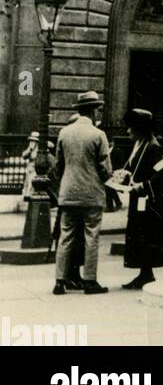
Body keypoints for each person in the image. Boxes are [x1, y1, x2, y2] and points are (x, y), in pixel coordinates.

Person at [51, 90, 112, 296]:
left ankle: (60, 281)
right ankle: (90, 281)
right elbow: (105, 169)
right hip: (91, 194)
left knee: (65, 237)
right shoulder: (98, 135)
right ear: (94, 111)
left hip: (68, 192)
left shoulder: (64, 132)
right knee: (91, 237)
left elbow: (58, 165)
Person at [117, 108, 163, 289]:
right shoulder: (140, 146)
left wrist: (142, 186)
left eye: (131, 128)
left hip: (149, 201)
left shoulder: (153, 147)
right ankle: (144, 273)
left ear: (139, 129)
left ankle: (146, 274)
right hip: (139, 199)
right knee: (139, 235)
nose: (127, 131)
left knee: (145, 235)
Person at [18, 131, 40, 211]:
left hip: (36, 170)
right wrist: (30, 149)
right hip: (30, 170)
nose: (32, 142)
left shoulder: (40, 148)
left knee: (33, 187)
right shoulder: (30, 148)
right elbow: (24, 155)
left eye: (34, 140)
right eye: (31, 140)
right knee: (28, 187)